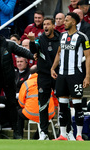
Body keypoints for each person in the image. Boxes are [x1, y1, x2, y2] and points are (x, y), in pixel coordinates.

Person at [0, 25, 36, 139]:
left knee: (12, 104)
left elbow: (21, 51)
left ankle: (16, 132)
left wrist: (33, 55)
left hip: (8, 79)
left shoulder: (8, 44)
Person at [51, 12, 90, 141]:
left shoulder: (82, 37)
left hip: (76, 74)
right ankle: (63, 134)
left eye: (66, 20)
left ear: (73, 22)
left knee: (77, 104)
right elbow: (58, 53)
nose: (64, 22)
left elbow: (88, 57)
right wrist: (53, 68)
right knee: (62, 105)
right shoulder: (62, 36)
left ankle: (78, 134)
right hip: (62, 74)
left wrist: (87, 76)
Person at [28, 17, 60, 140]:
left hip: (58, 75)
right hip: (44, 75)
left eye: (48, 24)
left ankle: (66, 131)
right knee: (43, 104)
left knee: (63, 102)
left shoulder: (60, 38)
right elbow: (33, 50)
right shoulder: (39, 39)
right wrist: (31, 42)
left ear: (53, 25)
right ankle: (43, 132)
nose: (45, 26)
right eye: (44, 24)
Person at [17, 66, 57, 139]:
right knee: (47, 116)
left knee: (19, 113)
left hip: (30, 113)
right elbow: (55, 99)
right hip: (49, 113)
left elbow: (21, 102)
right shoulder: (48, 81)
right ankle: (38, 136)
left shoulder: (26, 83)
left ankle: (19, 136)